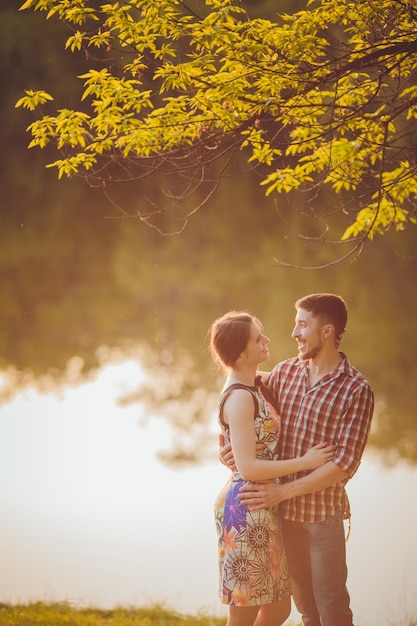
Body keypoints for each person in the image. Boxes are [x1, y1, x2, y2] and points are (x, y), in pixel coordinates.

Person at [220, 294, 374, 626]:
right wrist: (228, 445)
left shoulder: (356, 389)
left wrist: (283, 491)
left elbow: (344, 465)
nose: (294, 333)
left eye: (302, 325)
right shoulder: (285, 372)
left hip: (320, 517)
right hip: (280, 516)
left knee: (331, 607)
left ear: (328, 331)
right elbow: (239, 396)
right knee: (304, 608)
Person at [209, 310, 335, 626]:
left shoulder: (256, 383)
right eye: (257, 338)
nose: (266, 340)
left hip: (263, 506)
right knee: (244, 610)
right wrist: (307, 462)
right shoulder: (239, 396)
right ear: (239, 352)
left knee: (279, 608)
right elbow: (249, 468)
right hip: (247, 507)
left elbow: (238, 442)